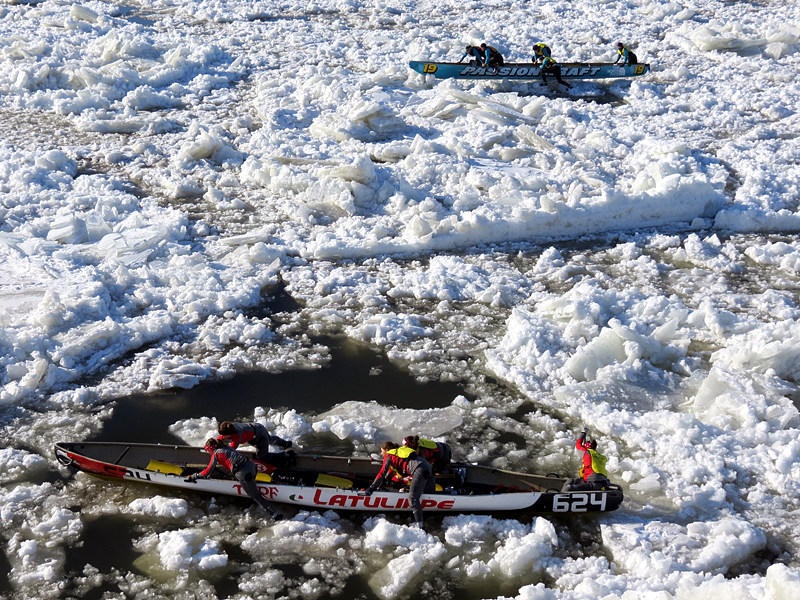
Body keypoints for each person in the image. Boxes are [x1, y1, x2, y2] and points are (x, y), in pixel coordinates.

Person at [186, 438, 284, 520]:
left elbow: (207, 471)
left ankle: (275, 515)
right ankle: (252, 484)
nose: (207, 452)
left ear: (211, 449)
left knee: (255, 495)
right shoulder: (226, 447)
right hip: (252, 466)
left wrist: (194, 476)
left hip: (243, 473)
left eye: (207, 450)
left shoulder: (216, 454)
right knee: (250, 483)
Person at [359, 441, 435, 529]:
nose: (381, 453)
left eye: (382, 451)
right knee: (430, 494)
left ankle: (420, 527)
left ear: (387, 450)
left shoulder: (389, 455)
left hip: (419, 469)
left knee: (413, 498)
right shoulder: (398, 453)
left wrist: (371, 488)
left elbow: (382, 473)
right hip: (429, 467)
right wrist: (386, 480)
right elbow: (390, 472)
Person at [217, 421, 295, 468]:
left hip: (259, 434)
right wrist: (212, 444)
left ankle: (286, 454)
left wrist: (219, 457)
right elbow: (219, 438)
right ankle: (286, 444)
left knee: (261, 457)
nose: (223, 437)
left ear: (230, 433)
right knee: (270, 439)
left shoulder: (237, 436)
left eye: (224, 435)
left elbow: (231, 450)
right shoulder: (230, 429)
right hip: (253, 433)